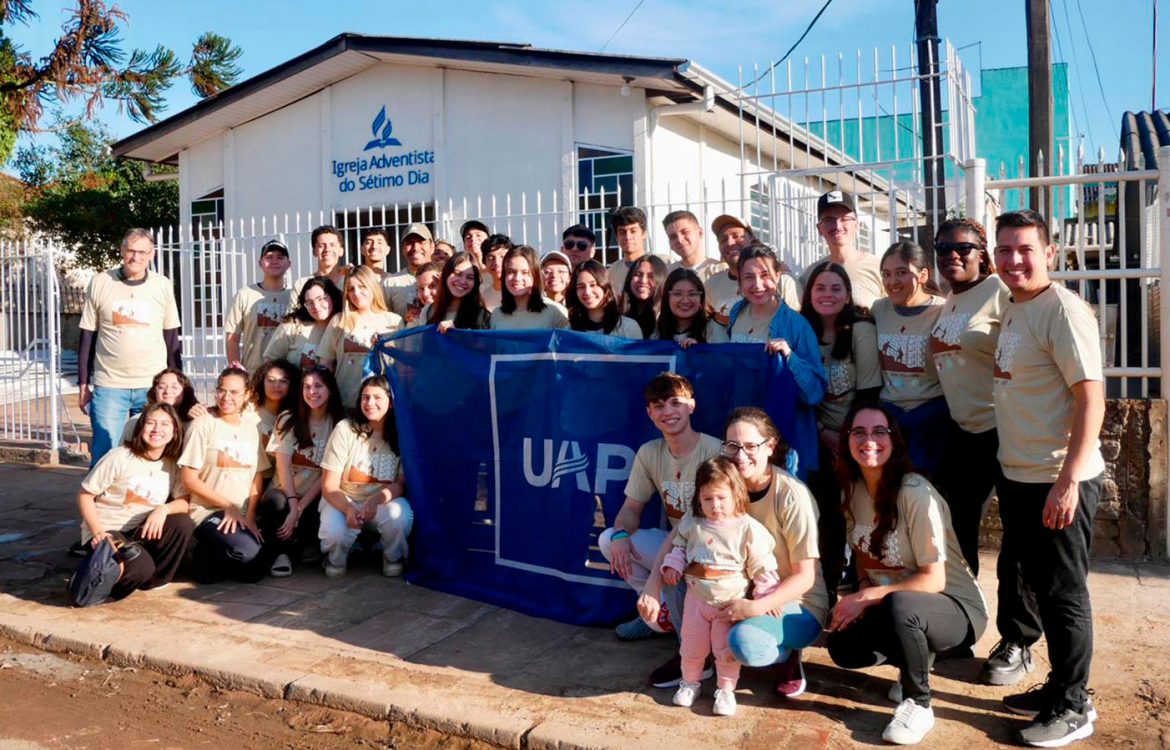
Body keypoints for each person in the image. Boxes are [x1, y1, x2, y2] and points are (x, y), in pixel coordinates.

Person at [991, 210, 1104, 747]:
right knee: (1037, 586)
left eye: (1025, 249)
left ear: (1050, 253)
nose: (1013, 259)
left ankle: (1074, 704)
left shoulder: (1063, 310)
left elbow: (1092, 398)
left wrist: (1068, 480)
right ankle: (1059, 685)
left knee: (1063, 594)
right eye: (1005, 249)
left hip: (1056, 479)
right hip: (1020, 476)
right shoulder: (1017, 306)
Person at [826, 402, 987, 746]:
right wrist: (865, 590)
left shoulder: (915, 493)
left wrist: (864, 596)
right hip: (897, 605)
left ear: (895, 440)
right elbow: (862, 557)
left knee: (901, 606)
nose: (869, 440)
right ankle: (917, 659)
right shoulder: (850, 489)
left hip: (955, 608)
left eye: (879, 431)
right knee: (843, 647)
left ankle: (919, 702)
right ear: (847, 440)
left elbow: (934, 580)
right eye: (859, 432)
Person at [598, 373, 723, 685]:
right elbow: (630, 509)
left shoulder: (714, 450)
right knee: (607, 539)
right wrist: (621, 534)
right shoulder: (650, 452)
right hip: (676, 544)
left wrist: (664, 566)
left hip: (711, 549)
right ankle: (655, 615)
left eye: (676, 402)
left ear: (691, 405)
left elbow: (707, 524)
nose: (668, 411)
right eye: (659, 405)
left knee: (673, 564)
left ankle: (693, 654)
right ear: (650, 414)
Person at [644, 456, 780, 717]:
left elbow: (763, 567)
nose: (715, 505)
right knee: (691, 648)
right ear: (699, 498)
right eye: (707, 499)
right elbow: (680, 547)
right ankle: (690, 683)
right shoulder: (693, 523)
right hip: (696, 601)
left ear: (736, 494)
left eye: (721, 498)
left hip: (727, 606)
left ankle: (726, 691)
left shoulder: (749, 529)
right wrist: (671, 565)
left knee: (725, 651)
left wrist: (767, 598)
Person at [719, 408, 828, 699]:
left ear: (770, 447)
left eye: (751, 446)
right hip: (744, 589)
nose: (740, 455)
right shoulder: (723, 487)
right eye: (732, 446)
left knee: (745, 643)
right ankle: (689, 658)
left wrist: (754, 608)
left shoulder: (791, 494)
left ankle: (788, 653)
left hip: (797, 601)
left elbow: (806, 577)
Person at [928, 218, 1010, 576]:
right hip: (963, 431)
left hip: (1002, 427)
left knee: (1017, 531)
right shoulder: (949, 299)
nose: (953, 256)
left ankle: (1019, 628)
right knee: (959, 525)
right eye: (944, 249)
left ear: (982, 254)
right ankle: (965, 608)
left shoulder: (998, 290)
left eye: (963, 248)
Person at [799, 260, 882, 602]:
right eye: (820, 288)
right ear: (809, 294)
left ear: (848, 295)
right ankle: (826, 592)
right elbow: (796, 393)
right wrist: (822, 434)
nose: (827, 295)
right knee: (822, 518)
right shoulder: (801, 329)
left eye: (836, 288)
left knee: (857, 514)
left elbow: (868, 394)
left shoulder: (860, 330)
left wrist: (845, 440)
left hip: (856, 437)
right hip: (812, 435)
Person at [79, 228, 182, 465]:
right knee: (106, 451)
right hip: (110, 385)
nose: (135, 257)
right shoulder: (101, 282)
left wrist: (176, 382)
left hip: (151, 384)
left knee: (152, 450)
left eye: (142, 252)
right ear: (121, 251)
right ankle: (99, 500)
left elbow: (171, 337)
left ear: (152, 254)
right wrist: (83, 383)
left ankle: (146, 500)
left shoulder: (162, 285)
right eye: (130, 251)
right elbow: (87, 336)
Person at [727, 243, 827, 479]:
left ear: (778, 275)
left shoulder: (796, 325)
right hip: (742, 432)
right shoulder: (736, 313)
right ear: (739, 281)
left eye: (765, 275)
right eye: (748, 277)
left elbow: (815, 391)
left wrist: (790, 357)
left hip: (780, 433)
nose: (757, 285)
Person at [76, 402, 194, 599]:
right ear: (141, 428)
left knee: (182, 523)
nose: (157, 429)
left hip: (141, 530)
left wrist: (163, 509)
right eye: (151, 423)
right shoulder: (120, 457)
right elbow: (85, 495)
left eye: (165, 424)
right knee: (140, 567)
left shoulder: (172, 463)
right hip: (108, 530)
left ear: (174, 431)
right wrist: (98, 532)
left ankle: (150, 578)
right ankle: (100, 575)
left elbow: (184, 501)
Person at [179, 367, 268, 583]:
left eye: (234, 392)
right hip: (208, 510)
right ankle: (206, 554)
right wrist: (227, 506)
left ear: (247, 395)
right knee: (249, 557)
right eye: (221, 390)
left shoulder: (252, 428)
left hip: (241, 513)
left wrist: (249, 516)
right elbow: (188, 478)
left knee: (256, 570)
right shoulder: (203, 424)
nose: (226, 397)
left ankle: (210, 556)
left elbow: (257, 476)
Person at [319, 375, 413, 578]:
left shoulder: (402, 432)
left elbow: (400, 484)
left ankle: (392, 555)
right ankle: (337, 556)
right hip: (343, 500)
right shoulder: (345, 429)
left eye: (377, 397)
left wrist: (375, 500)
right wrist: (348, 508)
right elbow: (329, 485)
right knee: (334, 532)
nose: (370, 403)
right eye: (365, 397)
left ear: (391, 401)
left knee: (400, 516)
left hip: (381, 502)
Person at [872, 241, 950, 482]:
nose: (892, 281)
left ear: (923, 275)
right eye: (886, 274)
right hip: (891, 414)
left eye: (901, 272)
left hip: (931, 414)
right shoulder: (879, 309)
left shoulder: (943, 310)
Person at [258, 365, 346, 577]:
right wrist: (292, 501)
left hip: (314, 494)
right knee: (275, 502)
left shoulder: (338, 424)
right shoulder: (287, 419)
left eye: (318, 386)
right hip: (284, 491)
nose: (311, 392)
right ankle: (280, 553)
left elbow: (327, 473)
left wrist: (300, 506)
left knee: (325, 504)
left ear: (330, 390)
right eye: (306, 387)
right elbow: (283, 467)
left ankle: (307, 543)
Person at [318, 266, 404, 407]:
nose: (356, 293)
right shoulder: (339, 320)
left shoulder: (394, 321)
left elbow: (401, 368)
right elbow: (325, 364)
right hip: (345, 403)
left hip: (380, 407)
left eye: (362, 286)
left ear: (372, 287)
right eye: (351, 289)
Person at [799, 191, 884, 308]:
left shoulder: (879, 268)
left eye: (844, 219)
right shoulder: (811, 273)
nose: (837, 226)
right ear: (819, 228)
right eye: (829, 220)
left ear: (856, 225)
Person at [707, 215, 799, 323]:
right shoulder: (711, 285)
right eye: (723, 239)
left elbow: (798, 329)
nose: (730, 242)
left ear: (752, 239)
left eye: (736, 236)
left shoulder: (783, 282)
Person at [224, 239, 293, 374]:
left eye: (280, 257)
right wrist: (236, 370)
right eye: (269, 257)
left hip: (286, 374)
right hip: (253, 373)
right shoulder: (244, 295)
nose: (274, 261)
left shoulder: (294, 296)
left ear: (288, 264)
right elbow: (232, 337)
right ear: (260, 263)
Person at [263, 277, 343, 371]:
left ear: (332, 297)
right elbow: (270, 361)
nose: (316, 306)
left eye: (321, 299)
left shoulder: (344, 325)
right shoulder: (293, 324)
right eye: (309, 302)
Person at [489, 245, 569, 330]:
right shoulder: (496, 314)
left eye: (525, 272)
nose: (517, 278)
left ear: (536, 275)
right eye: (511, 272)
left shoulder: (556, 312)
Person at [120, 368, 208, 442]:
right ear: (154, 392)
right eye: (161, 387)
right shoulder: (135, 421)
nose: (167, 391)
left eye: (174, 387)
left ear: (185, 392)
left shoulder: (194, 420)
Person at [567, 260, 643, 338]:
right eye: (581, 286)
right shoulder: (569, 330)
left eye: (593, 285)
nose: (587, 292)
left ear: (605, 286)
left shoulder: (627, 327)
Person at [654, 268, 728, 346]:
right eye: (677, 294)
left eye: (692, 294)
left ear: (701, 298)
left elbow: (725, 357)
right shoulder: (657, 331)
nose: (685, 300)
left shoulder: (714, 329)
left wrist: (699, 350)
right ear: (667, 298)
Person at [248, 360, 299, 467]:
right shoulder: (249, 409)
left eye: (283, 381)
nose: (276, 385)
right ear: (262, 382)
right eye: (271, 380)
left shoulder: (294, 417)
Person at [426, 253, 492, 332]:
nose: (462, 281)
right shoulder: (429, 311)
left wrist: (457, 334)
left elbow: (484, 344)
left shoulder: (483, 317)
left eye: (470, 277)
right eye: (457, 274)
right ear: (446, 274)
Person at [382, 224, 435, 315]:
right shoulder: (390, 283)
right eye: (409, 243)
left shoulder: (443, 277)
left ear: (432, 247)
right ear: (402, 249)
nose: (415, 248)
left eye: (421, 242)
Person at [662, 210, 726, 283]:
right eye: (673, 236)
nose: (680, 240)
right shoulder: (667, 274)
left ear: (700, 233)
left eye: (685, 232)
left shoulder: (720, 271)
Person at [292, 225, 351, 299]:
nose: (327, 249)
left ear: (341, 251)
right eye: (321, 246)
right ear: (314, 252)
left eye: (332, 245)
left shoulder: (350, 281)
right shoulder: (301, 285)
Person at [619, 255, 668, 339]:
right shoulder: (618, 312)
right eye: (638, 274)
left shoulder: (668, 316)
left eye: (651, 276)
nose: (643, 281)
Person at [607, 207, 650, 293]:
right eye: (622, 232)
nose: (627, 237)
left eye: (633, 231)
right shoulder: (612, 272)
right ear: (616, 237)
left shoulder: (663, 264)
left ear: (644, 234)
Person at [402, 260, 442, 328]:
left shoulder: (458, 311)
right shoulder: (416, 317)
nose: (425, 294)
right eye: (421, 288)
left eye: (431, 286)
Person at [479, 233, 511, 311]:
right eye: (491, 258)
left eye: (502, 257)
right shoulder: (483, 297)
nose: (497, 262)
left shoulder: (521, 291)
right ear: (484, 262)